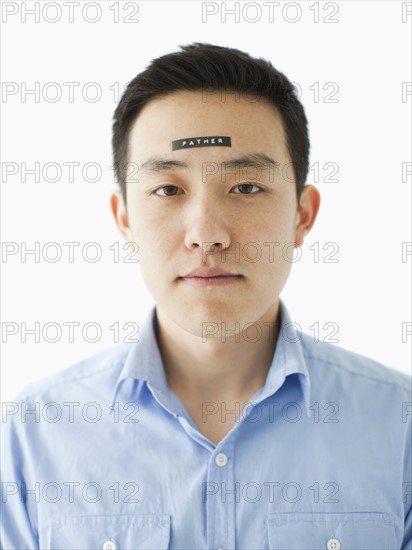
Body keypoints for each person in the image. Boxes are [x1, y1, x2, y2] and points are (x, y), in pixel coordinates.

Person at [1, 43, 411, 550]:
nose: (206, 234)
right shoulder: (35, 434)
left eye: (246, 187)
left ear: (303, 214)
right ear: (124, 217)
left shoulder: (399, 425)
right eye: (169, 190)